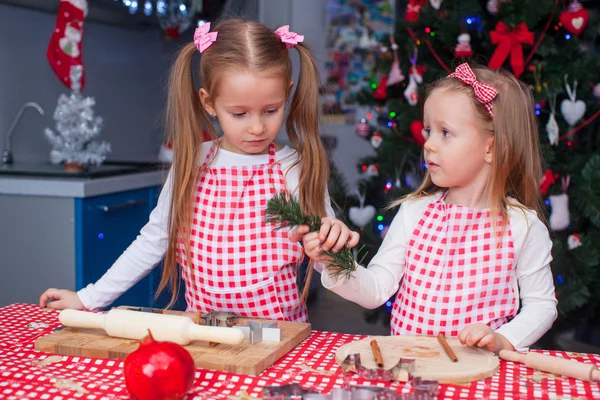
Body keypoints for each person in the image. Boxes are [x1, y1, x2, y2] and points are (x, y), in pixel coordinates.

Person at [39, 19, 359, 322]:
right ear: (208, 103)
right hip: (205, 336)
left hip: (279, 339)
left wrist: (331, 246)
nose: (258, 127)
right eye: (239, 113)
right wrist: (88, 298)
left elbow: (325, 259)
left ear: (287, 94)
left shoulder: (291, 167)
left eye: (271, 110)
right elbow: (153, 240)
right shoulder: (193, 162)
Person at [304, 63, 557, 353]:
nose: (429, 145)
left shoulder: (522, 227)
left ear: (491, 148)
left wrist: (504, 339)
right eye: (428, 131)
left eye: (445, 133)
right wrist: (338, 263)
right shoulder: (415, 213)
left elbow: (542, 305)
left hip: (478, 378)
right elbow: (376, 289)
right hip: (410, 369)